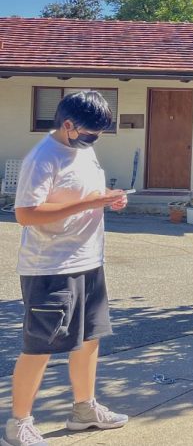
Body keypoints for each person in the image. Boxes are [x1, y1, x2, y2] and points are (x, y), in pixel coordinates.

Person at [5, 91, 130, 446]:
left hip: (89, 261)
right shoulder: (43, 157)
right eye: (92, 130)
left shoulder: (84, 151)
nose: (96, 138)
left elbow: (82, 193)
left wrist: (109, 197)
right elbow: (26, 213)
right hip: (50, 268)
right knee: (39, 346)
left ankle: (84, 410)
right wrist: (89, 202)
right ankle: (19, 424)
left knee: (89, 340)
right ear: (69, 125)